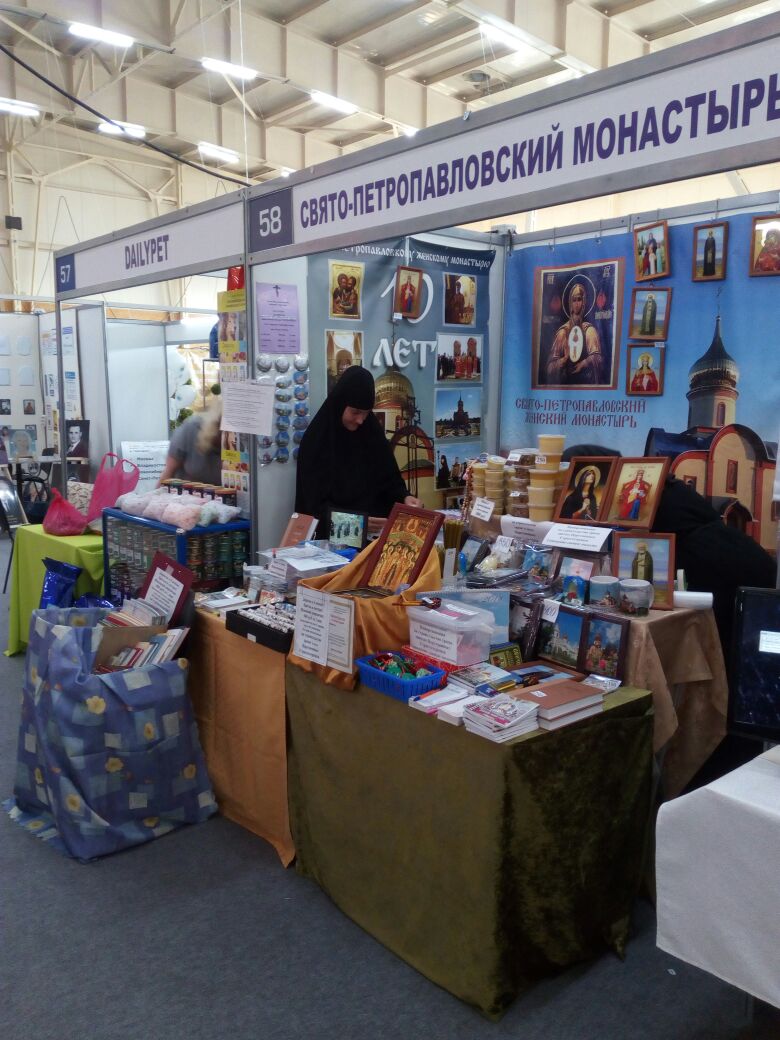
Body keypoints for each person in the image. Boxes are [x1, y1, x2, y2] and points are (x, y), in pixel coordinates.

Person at [562, 443, 777, 670]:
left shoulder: (637, 492)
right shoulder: (665, 484)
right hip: (734, 558)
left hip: (719, 567)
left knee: (736, 648)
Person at [294, 367, 422, 537]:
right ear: (340, 404)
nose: (361, 420)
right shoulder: (317, 441)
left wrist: (404, 497)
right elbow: (314, 506)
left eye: (366, 413)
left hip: (374, 538)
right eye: (355, 412)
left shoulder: (372, 433)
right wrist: (355, 523)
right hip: (331, 542)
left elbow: (389, 479)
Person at [545, 281, 605, 385]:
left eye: (579, 299)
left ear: (584, 302)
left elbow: (598, 358)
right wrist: (563, 360)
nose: (577, 303)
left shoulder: (589, 330)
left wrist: (585, 363)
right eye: (574, 300)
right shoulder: (563, 332)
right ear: (570, 303)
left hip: (585, 383)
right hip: (565, 386)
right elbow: (550, 368)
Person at [158, 401, 222, 487]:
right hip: (183, 493)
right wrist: (157, 494)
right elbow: (168, 474)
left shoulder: (237, 442)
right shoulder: (192, 428)